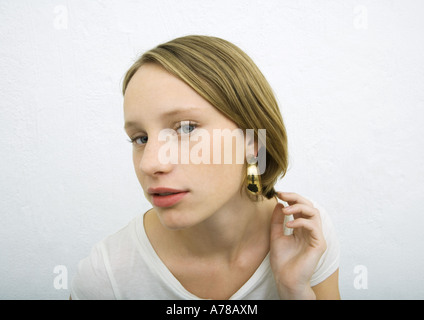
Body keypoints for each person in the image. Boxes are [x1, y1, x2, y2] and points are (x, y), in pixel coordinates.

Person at [70, 35, 340, 300]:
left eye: (186, 128)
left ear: (253, 140)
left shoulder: (305, 235)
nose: (150, 163)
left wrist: (295, 292)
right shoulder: (106, 277)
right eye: (140, 138)